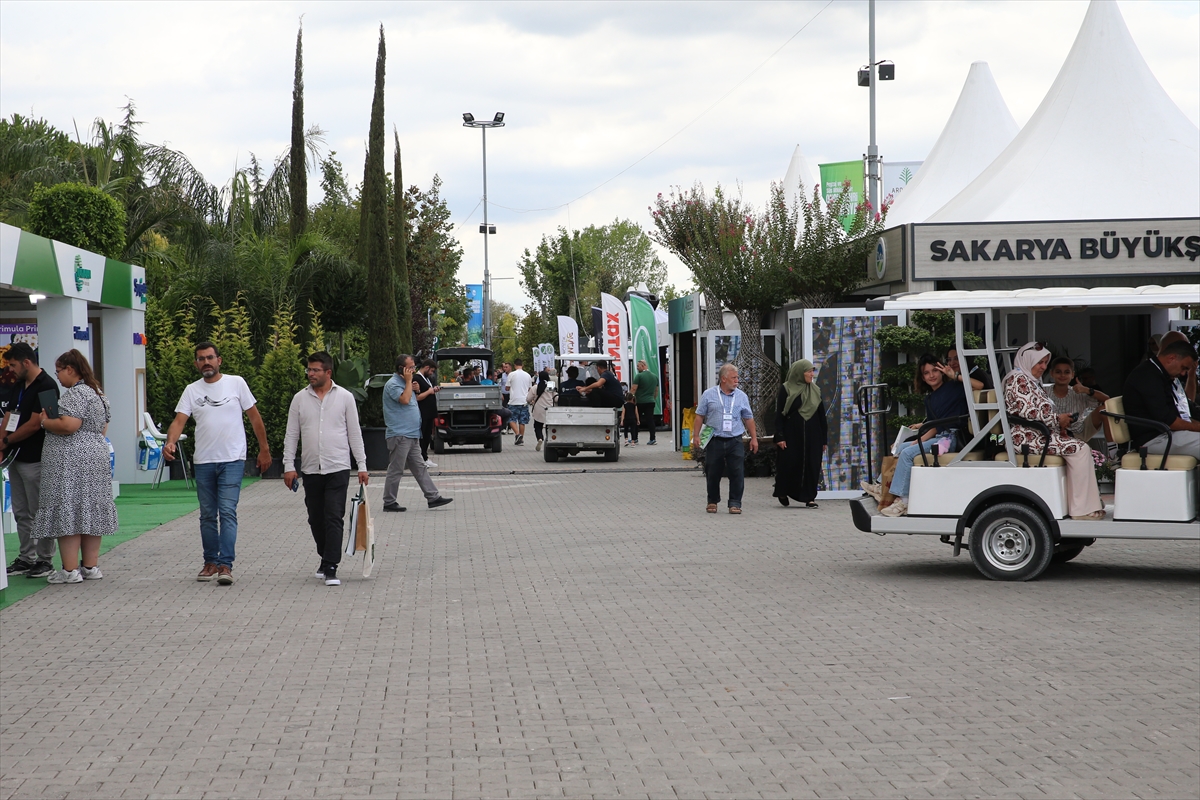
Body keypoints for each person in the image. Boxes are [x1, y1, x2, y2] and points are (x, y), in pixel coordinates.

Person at [164, 342, 272, 585]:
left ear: (219, 360)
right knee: (207, 515)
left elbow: (255, 418)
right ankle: (210, 562)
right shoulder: (191, 390)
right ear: (196, 364)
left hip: (232, 459)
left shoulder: (236, 383)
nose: (206, 362)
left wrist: (264, 449)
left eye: (210, 357)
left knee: (227, 512)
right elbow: (179, 421)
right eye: (201, 359)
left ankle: (226, 565)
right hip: (204, 461)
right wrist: (170, 442)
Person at [30, 350, 119, 583]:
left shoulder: (76, 393)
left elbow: (69, 425)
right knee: (89, 511)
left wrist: (44, 421)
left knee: (68, 509)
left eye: (59, 371)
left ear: (70, 369)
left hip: (70, 462)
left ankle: (69, 571)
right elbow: (102, 428)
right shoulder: (98, 393)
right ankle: (90, 567)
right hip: (95, 457)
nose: (58, 377)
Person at [283, 351, 369, 587]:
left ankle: (331, 565)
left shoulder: (345, 397)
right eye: (309, 370)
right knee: (315, 518)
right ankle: (325, 555)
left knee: (333, 516)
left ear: (328, 372)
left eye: (315, 370)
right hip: (311, 468)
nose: (310, 374)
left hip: (338, 466)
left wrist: (362, 465)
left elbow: (354, 433)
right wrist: (289, 466)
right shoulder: (299, 399)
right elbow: (292, 434)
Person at [1004, 342, 1105, 520]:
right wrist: (1058, 420)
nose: (1043, 367)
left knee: (1079, 447)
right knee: (1080, 449)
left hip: (1039, 433)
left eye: (1045, 362)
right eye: (1039, 362)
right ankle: (1081, 509)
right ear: (1028, 360)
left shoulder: (1030, 380)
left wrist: (1059, 425)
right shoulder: (1018, 379)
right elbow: (1028, 411)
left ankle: (1083, 504)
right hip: (1026, 437)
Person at [868, 354, 970, 518]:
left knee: (907, 453)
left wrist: (919, 440)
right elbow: (934, 424)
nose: (931, 375)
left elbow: (937, 426)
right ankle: (882, 485)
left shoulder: (954, 388)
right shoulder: (930, 398)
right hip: (940, 436)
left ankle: (904, 501)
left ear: (941, 371)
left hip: (950, 438)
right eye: (926, 373)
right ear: (922, 377)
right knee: (900, 447)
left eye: (934, 371)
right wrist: (919, 432)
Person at [1, 342, 59, 579]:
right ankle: (26, 557)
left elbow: (36, 423)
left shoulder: (47, 385)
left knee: (40, 510)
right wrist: (2, 442)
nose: (10, 369)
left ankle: (45, 559)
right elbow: (9, 415)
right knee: (21, 511)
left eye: (13, 365)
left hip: (38, 457)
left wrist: (7, 441)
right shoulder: (18, 384)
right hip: (16, 457)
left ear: (27, 362)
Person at [382, 355, 453, 514]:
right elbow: (405, 400)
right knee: (396, 468)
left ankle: (433, 497)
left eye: (414, 367)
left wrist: (416, 389)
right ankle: (389, 501)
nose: (414, 370)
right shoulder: (393, 384)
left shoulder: (407, 384)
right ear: (401, 369)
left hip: (412, 433)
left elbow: (414, 400)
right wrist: (409, 383)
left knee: (420, 467)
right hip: (400, 434)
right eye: (411, 367)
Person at [690, 363, 758, 514]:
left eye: (737, 378)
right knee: (712, 472)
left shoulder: (741, 396)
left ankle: (735, 503)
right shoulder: (708, 394)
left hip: (735, 439)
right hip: (715, 439)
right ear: (723, 379)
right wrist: (696, 435)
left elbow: (748, 418)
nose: (737, 381)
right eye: (734, 378)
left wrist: (754, 438)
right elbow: (700, 415)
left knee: (737, 472)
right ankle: (712, 501)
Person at [1122, 337, 1200, 460]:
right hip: (1154, 439)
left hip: (1167, 434)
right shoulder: (1147, 376)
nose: (1183, 373)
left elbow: (1182, 413)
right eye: (1183, 368)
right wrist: (1197, 427)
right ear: (1171, 358)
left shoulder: (1160, 374)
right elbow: (1168, 420)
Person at [773, 359, 827, 509]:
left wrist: (824, 440)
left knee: (812, 465)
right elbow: (779, 415)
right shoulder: (786, 389)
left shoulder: (815, 390)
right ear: (799, 373)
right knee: (789, 464)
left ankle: (809, 497)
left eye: (812, 371)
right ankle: (783, 491)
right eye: (809, 371)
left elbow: (821, 416)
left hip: (813, 435)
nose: (812, 374)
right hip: (791, 434)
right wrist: (780, 436)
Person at [1047, 357, 1109, 444]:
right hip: (1052, 435)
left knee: (1104, 410)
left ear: (1072, 374)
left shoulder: (1079, 391)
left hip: (1079, 433)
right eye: (1058, 372)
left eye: (1067, 372)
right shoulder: (1043, 392)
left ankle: (1113, 450)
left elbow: (1108, 401)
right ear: (1051, 373)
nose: (1062, 375)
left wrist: (1087, 390)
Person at [413, 359, 441, 468]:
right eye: (431, 371)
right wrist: (429, 391)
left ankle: (425, 457)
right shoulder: (416, 378)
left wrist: (433, 390)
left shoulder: (426, 379)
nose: (431, 373)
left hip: (429, 413)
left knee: (427, 435)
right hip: (423, 413)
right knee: (423, 436)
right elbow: (417, 397)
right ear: (426, 367)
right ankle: (421, 458)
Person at [631, 360, 659, 444]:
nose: (637, 368)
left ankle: (635, 438)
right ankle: (652, 439)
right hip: (650, 401)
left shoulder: (639, 376)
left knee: (636, 419)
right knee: (650, 420)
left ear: (643, 366)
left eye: (638, 366)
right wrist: (652, 398)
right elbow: (656, 391)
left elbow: (633, 389)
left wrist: (629, 400)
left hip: (640, 402)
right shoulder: (655, 376)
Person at [529, 367, 557, 452]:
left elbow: (528, 398)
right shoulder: (550, 386)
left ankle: (540, 438)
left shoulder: (535, 387)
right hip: (549, 408)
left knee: (538, 426)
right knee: (549, 426)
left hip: (539, 408)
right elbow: (556, 398)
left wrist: (532, 401)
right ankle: (550, 439)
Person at [505, 359, 533, 445]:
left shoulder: (511, 374)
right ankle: (521, 439)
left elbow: (507, 388)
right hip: (524, 400)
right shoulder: (528, 375)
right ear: (522, 365)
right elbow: (529, 388)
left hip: (513, 400)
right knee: (522, 421)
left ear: (514, 365)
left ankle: (517, 434)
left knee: (511, 419)